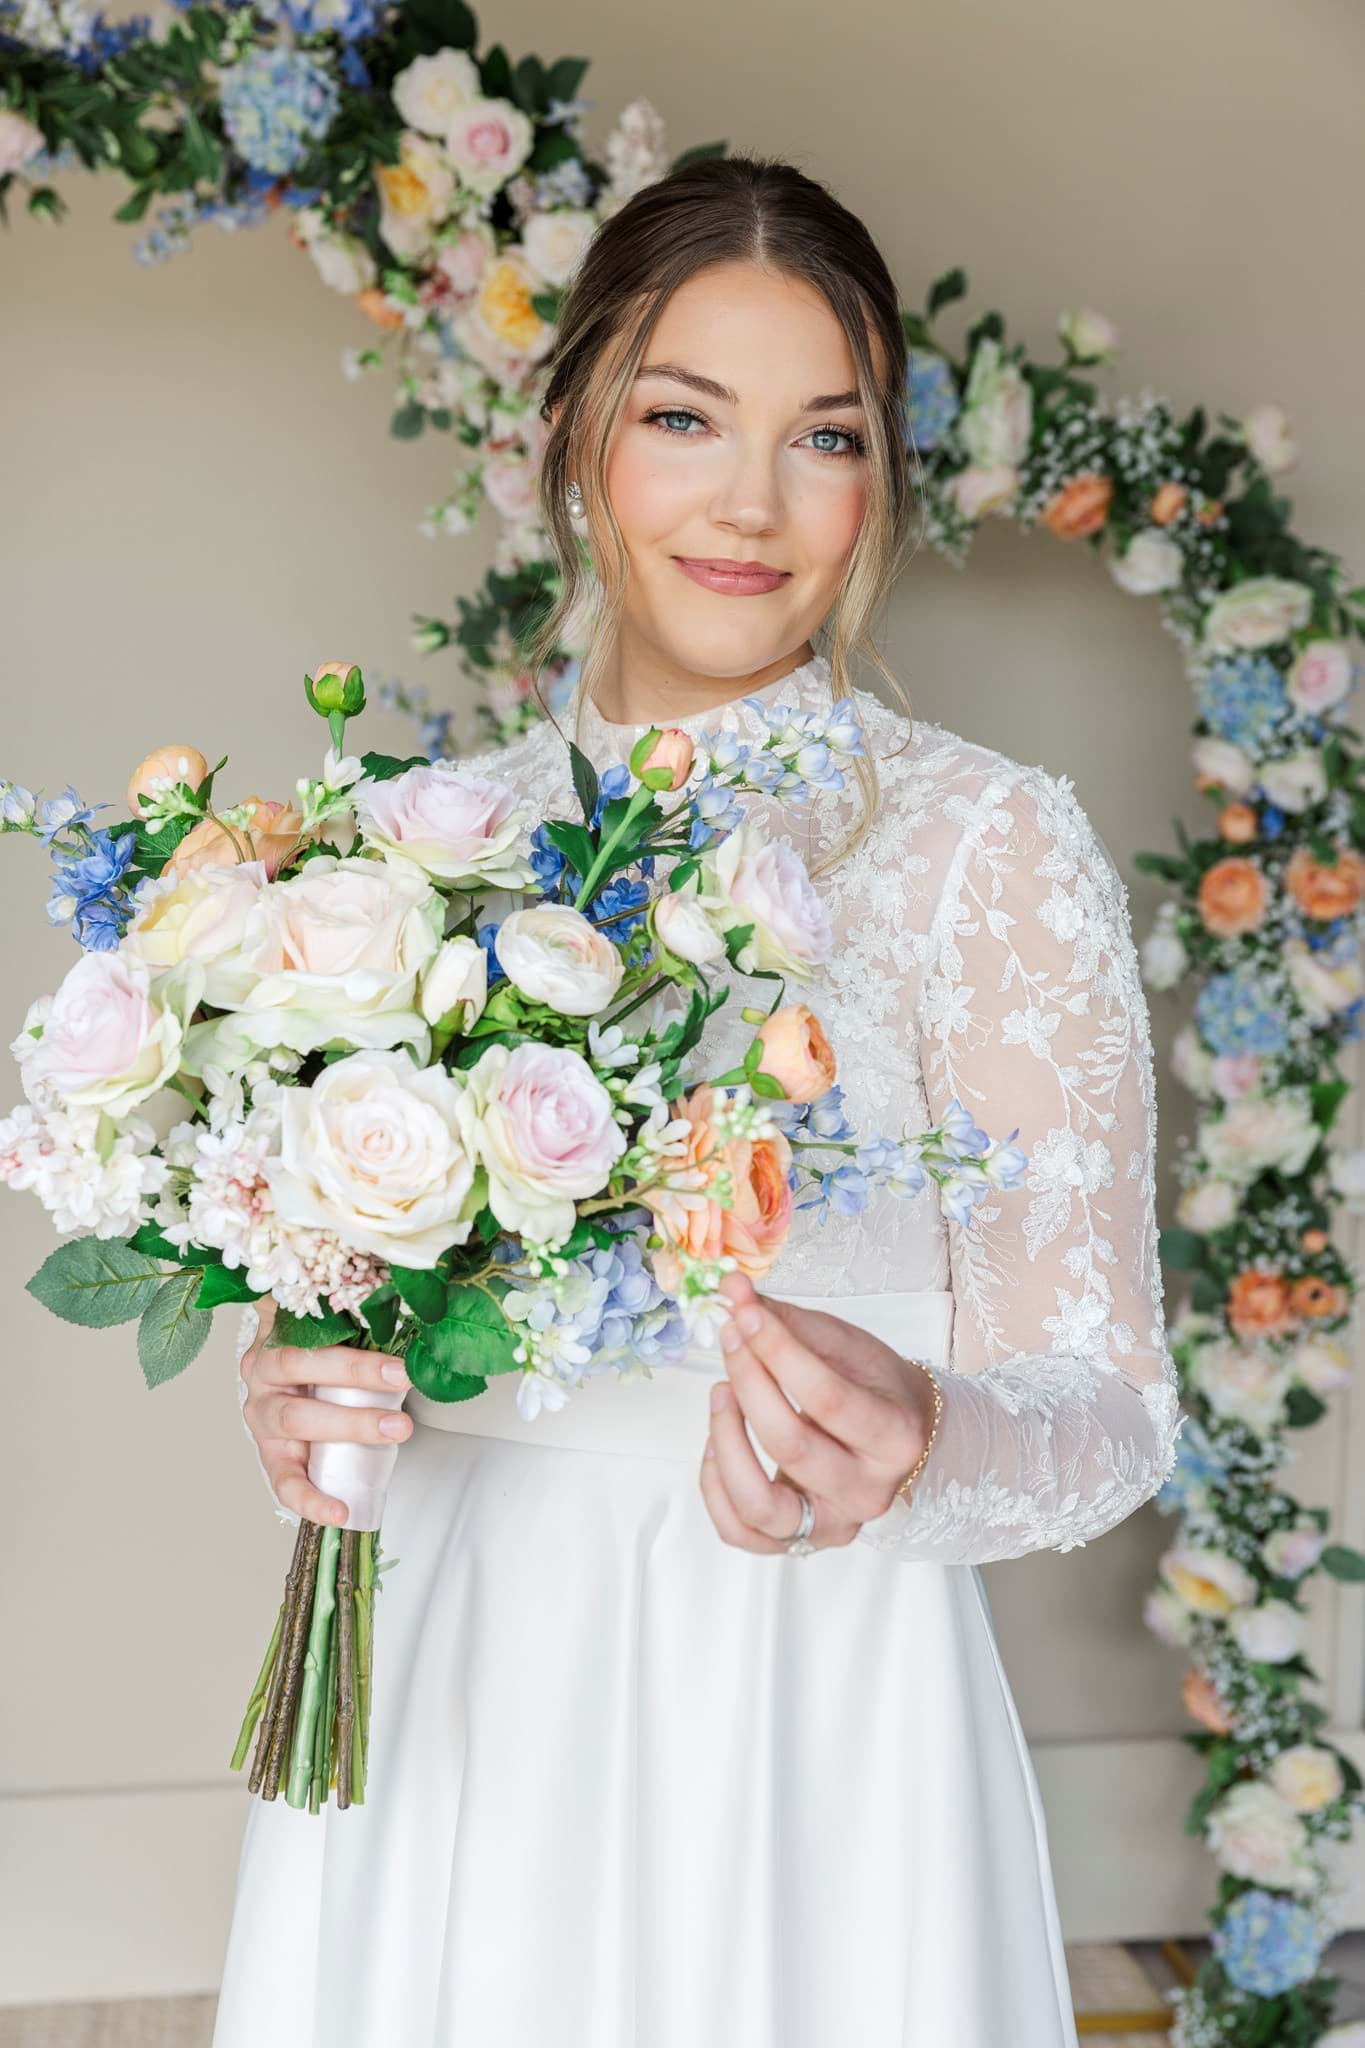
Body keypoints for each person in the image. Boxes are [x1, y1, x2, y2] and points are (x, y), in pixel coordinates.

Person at [214, 155, 1181, 2048]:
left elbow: (1115, 1411)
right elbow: (364, 1297)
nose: (753, 502)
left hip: (816, 1700)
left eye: (824, 436)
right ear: (575, 433)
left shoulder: (986, 847)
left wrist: (926, 1441)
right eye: (684, 418)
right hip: (461, 1662)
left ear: (878, 481)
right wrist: (301, 1380)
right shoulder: (408, 854)